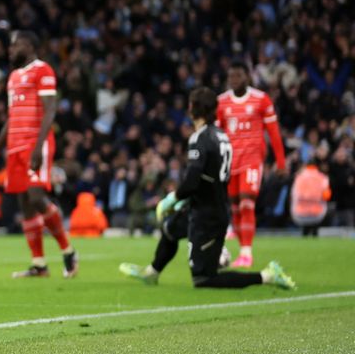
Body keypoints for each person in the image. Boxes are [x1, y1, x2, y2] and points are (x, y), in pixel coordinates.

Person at [119, 87, 295, 290]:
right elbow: (209, 176)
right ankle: (152, 272)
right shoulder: (221, 135)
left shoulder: (200, 138)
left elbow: (193, 178)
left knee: (203, 279)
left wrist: (173, 198)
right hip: (205, 205)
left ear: (193, 109)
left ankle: (266, 275)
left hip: (207, 215)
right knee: (170, 228)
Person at [0, 31, 78, 278]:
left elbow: (50, 110)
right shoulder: (14, 77)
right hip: (14, 146)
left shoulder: (43, 70)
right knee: (24, 203)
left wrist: (38, 147)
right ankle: (39, 264)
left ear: (28, 45)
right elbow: (12, 115)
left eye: (15, 46)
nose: (10, 50)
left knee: (36, 196)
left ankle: (68, 251)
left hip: (34, 143)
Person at [217, 62, 286, 266]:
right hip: (230, 161)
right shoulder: (221, 102)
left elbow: (273, 132)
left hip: (252, 160)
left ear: (247, 77)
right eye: (231, 76)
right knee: (236, 207)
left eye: (238, 76)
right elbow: (216, 134)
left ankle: (247, 253)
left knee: (247, 203)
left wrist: (281, 161)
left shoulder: (261, 99)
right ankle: (243, 251)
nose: (234, 80)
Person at [290, 163, 331, 236]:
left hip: (301, 209)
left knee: (305, 229)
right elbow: (326, 195)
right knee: (315, 229)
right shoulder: (322, 178)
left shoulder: (299, 177)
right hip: (317, 209)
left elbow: (294, 194)